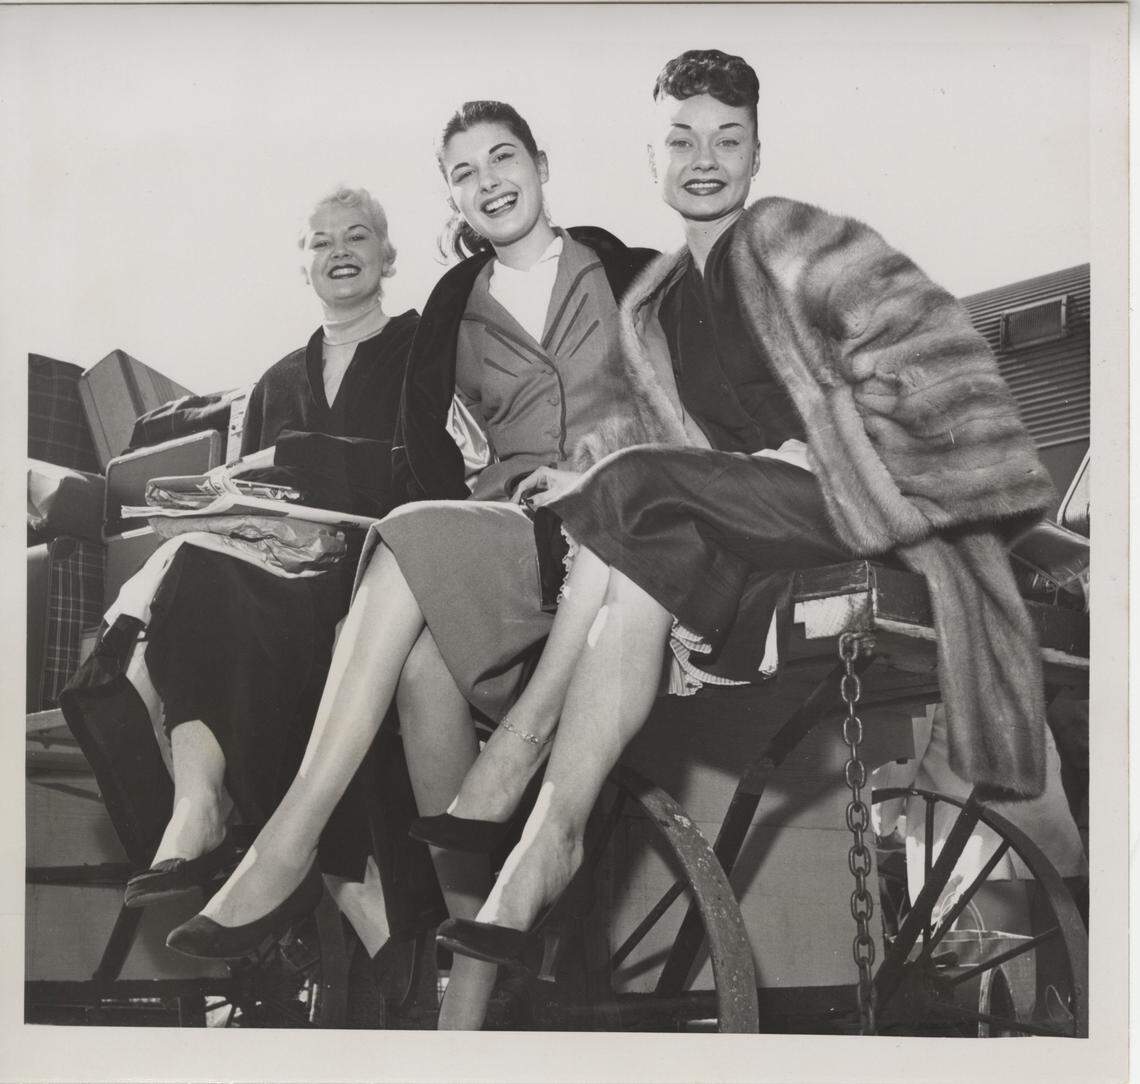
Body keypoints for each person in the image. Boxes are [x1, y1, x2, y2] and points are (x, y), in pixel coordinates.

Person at [431, 49, 1057, 1009]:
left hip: (873, 508)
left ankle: (517, 750)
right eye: (680, 139)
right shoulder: (659, 305)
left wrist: (825, 447)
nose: (705, 159)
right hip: (761, 528)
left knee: (638, 489)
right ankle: (547, 839)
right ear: (652, 159)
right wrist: (586, 475)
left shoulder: (806, 244)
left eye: (729, 139)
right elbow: (662, 451)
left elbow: (943, 372)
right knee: (633, 556)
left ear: (759, 153)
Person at [165, 101, 668, 1029]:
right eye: (465, 173)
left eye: (503, 158)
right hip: (513, 533)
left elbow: (686, 406)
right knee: (420, 654)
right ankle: (465, 951)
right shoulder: (450, 308)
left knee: (411, 574)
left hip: (621, 518)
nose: (489, 182)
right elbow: (426, 462)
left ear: (541, 164)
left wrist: (607, 462)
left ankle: (292, 845)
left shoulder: (627, 269)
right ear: (453, 197)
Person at [62, 186, 443, 966]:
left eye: (358, 236)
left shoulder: (422, 351)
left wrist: (301, 460)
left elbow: (427, 475)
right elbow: (259, 494)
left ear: (387, 256)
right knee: (198, 566)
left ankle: (334, 877)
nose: (339, 250)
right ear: (303, 263)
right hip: (280, 570)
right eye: (320, 241)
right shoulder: (276, 379)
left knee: (263, 633)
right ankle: (199, 804)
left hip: (384, 576)